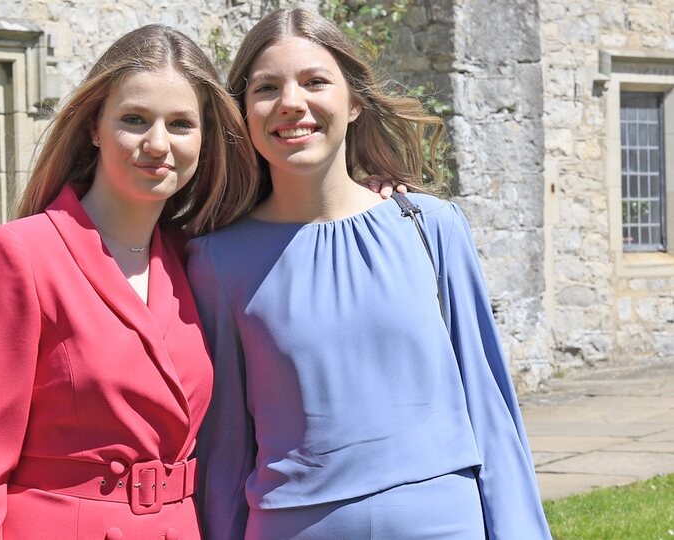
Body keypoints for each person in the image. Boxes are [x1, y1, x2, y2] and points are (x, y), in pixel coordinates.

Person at [188, 8, 552, 540]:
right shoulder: (216, 262)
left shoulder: (431, 228)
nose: (292, 103)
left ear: (354, 101)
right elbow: (224, 447)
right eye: (266, 87)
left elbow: (489, 403)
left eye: (315, 82)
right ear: (243, 112)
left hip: (444, 523)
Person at [0, 24, 261, 539]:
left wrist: (367, 187)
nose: (158, 143)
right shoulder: (22, 257)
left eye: (180, 124)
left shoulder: (198, 259)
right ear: (94, 126)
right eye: (134, 119)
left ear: (205, 138)